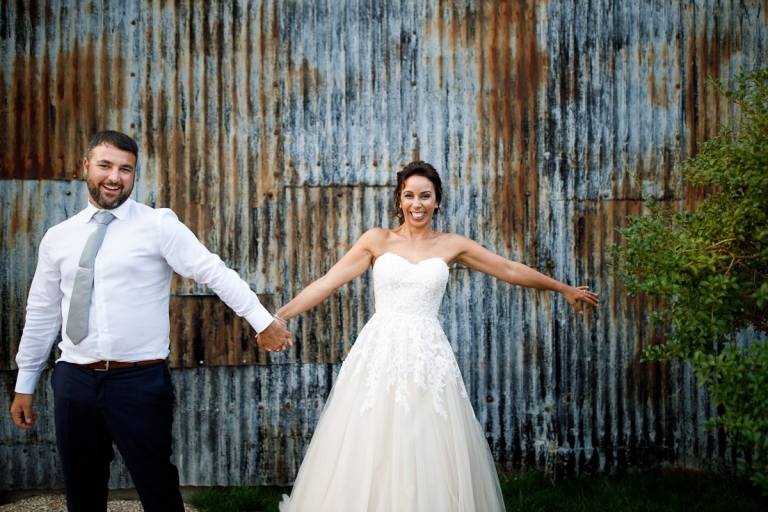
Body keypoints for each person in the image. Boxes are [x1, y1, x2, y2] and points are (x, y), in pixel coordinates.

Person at [273, 161, 599, 511]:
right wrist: (275, 317)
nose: (417, 204)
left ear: (437, 201)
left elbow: (507, 268)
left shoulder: (452, 245)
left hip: (427, 357)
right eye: (409, 195)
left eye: (425, 196)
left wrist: (560, 287)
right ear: (399, 200)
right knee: (371, 438)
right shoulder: (376, 240)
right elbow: (327, 281)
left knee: (424, 442)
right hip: (380, 352)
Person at [9, 130, 292, 512]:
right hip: (74, 379)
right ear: (86, 167)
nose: (115, 177)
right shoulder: (58, 238)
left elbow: (215, 272)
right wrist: (25, 381)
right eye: (106, 165)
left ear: (134, 174)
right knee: (82, 490)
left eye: (126, 169)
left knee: (157, 489)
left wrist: (262, 321)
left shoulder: (158, 225)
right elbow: (42, 310)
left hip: (138, 380)